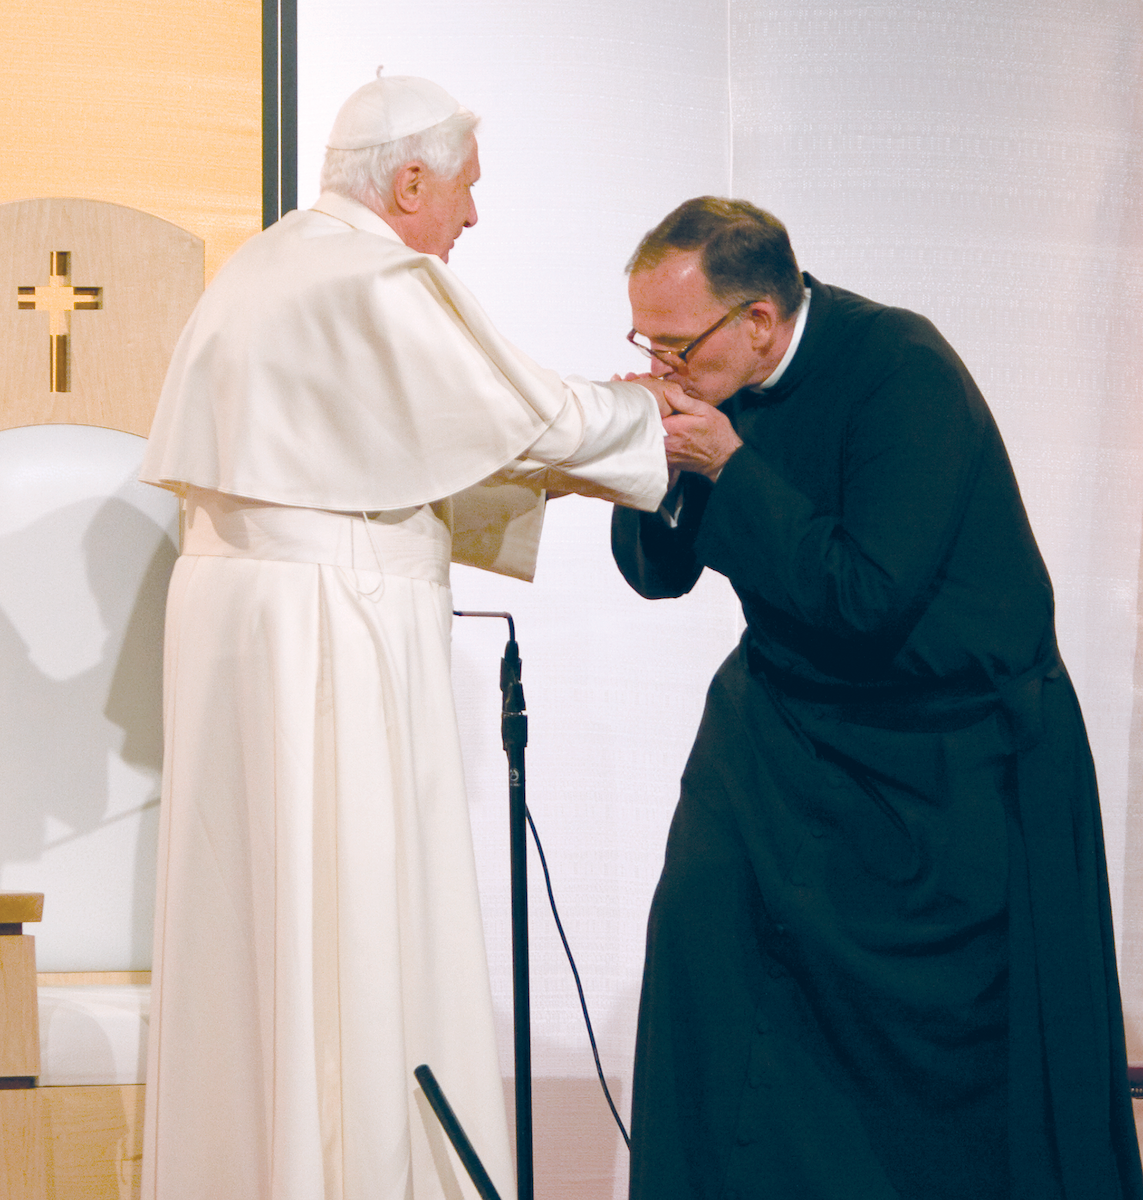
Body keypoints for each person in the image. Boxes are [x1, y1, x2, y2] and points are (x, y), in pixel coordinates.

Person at [139, 71, 675, 1200]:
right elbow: (525, 405)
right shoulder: (373, 276)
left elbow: (371, 462)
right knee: (356, 921)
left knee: (269, 933)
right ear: (412, 178)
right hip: (330, 627)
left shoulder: (272, 264)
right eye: (467, 189)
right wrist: (647, 421)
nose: (472, 217)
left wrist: (543, 482)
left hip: (250, 620)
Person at [611, 196, 1143, 1200]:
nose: (663, 363)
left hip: (944, 749)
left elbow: (865, 597)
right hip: (785, 719)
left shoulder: (901, 370)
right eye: (647, 341)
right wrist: (644, 456)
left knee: (938, 1069)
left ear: (759, 321)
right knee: (704, 945)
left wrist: (729, 461)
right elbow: (661, 574)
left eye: (677, 344)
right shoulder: (717, 380)